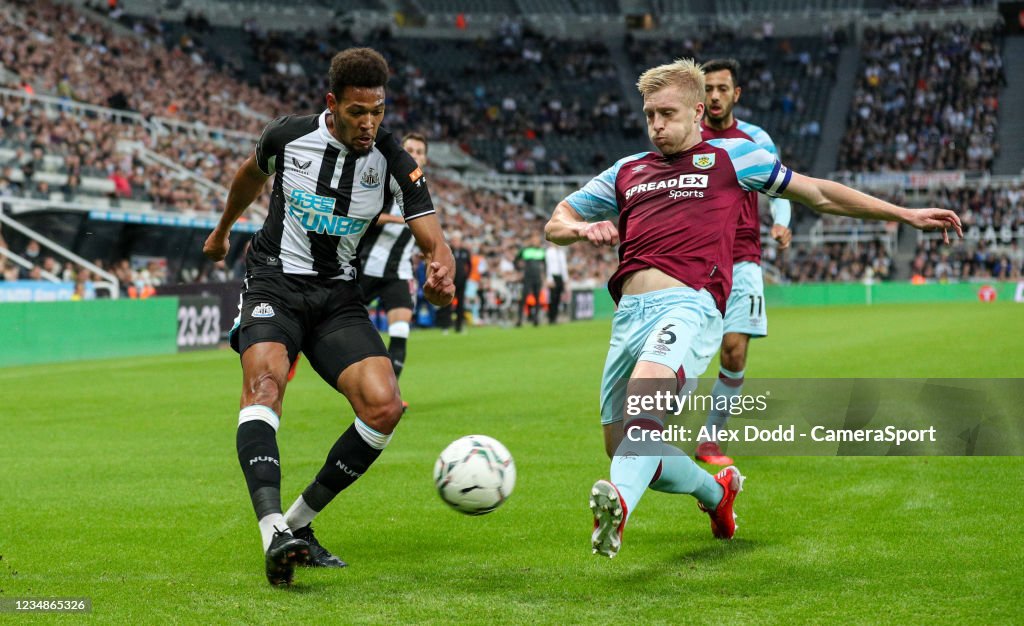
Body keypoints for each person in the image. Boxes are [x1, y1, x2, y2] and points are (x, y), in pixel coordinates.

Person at [544, 58, 960, 558]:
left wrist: (903, 213)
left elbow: (820, 194)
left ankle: (618, 511)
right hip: (627, 318)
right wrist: (581, 229)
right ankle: (718, 494)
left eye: (667, 114)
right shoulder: (627, 171)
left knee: (643, 412)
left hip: (689, 306)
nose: (656, 125)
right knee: (629, 450)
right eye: (649, 114)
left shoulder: (734, 158)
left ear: (698, 111)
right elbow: (557, 220)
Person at [202, 48, 455, 586]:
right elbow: (249, 176)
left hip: (337, 294)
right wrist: (223, 231)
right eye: (357, 112)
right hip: (275, 280)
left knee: (385, 406)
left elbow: (431, 233)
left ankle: (297, 525)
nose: (369, 124)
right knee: (266, 384)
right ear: (332, 104)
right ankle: (272, 531)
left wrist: (441, 271)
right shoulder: (288, 136)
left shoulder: (393, 160)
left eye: (378, 112)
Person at [696, 58, 792, 465]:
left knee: (734, 351)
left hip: (744, 258)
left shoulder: (755, 138)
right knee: (686, 351)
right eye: (708, 89)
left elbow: (779, 185)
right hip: (695, 260)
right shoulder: (687, 136)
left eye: (722, 88)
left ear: (736, 94)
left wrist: (781, 223)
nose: (715, 96)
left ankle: (709, 440)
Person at [356, 133, 429, 394]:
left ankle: (389, 395)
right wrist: (400, 220)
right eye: (409, 149)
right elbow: (364, 215)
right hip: (365, 269)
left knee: (400, 332)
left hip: (399, 273)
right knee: (337, 326)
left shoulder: (423, 194)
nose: (414, 154)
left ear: (425, 158)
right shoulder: (383, 183)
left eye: (419, 151)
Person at [516, 234, 546, 326]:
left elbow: (545, 265)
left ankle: (536, 319)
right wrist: (519, 270)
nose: (535, 241)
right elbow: (516, 260)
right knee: (523, 298)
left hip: (537, 278)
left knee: (537, 298)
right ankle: (519, 320)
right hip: (527, 277)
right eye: (533, 239)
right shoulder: (525, 250)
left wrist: (544, 276)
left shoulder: (541, 251)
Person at [545, 242, 568, 324]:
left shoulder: (561, 253)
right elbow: (548, 266)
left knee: (558, 298)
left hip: (560, 277)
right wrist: (549, 279)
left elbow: (564, 266)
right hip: (553, 276)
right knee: (552, 298)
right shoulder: (549, 252)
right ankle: (551, 317)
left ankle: (555, 317)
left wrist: (565, 279)